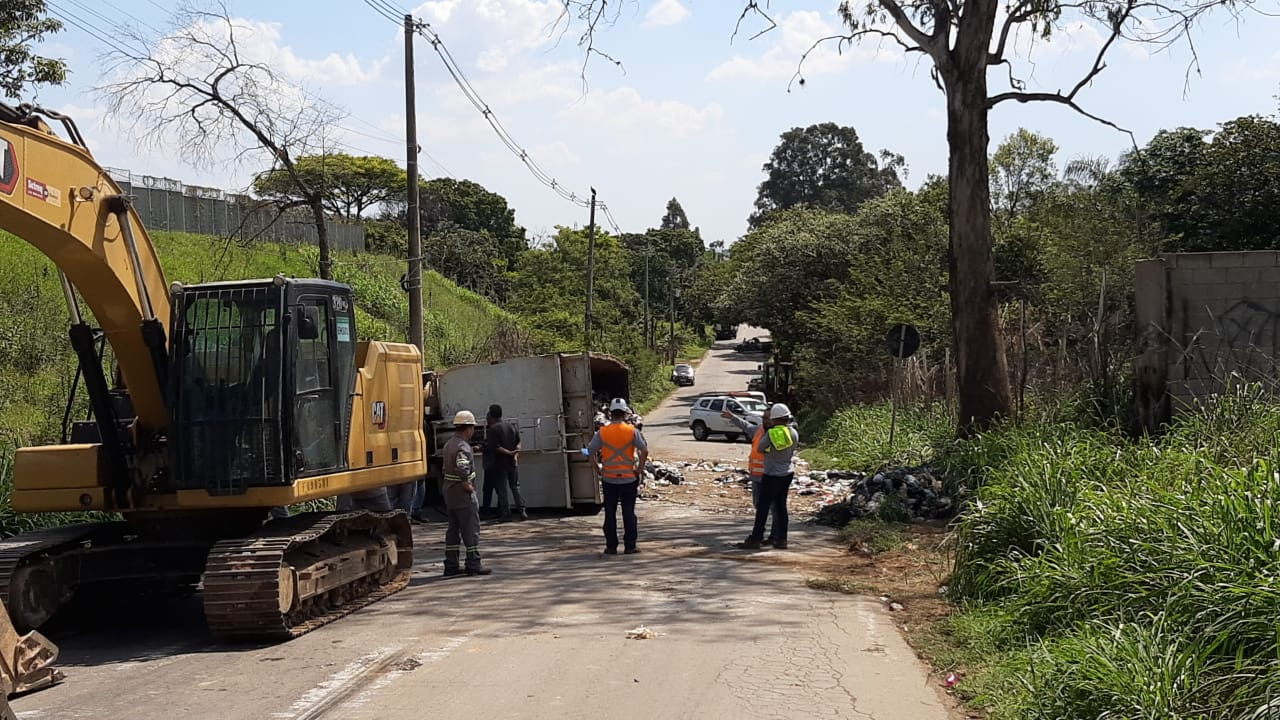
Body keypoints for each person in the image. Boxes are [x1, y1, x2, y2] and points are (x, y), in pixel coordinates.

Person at [584, 398, 648, 555]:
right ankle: (630, 546)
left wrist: (596, 468)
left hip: (609, 479)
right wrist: (639, 469)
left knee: (610, 513)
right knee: (629, 513)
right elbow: (644, 451)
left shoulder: (603, 432)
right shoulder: (632, 431)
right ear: (625, 413)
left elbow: (589, 451)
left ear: (611, 413)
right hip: (629, 479)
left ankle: (611, 547)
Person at [738, 403, 799, 550]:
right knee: (781, 507)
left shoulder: (771, 434)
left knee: (763, 508)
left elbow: (760, 448)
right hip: (787, 473)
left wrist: (770, 452)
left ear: (774, 419)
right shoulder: (794, 433)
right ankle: (781, 539)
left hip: (771, 474)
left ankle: (756, 538)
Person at [441, 410, 492, 577]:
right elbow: (462, 466)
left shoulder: (449, 444)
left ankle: (451, 564)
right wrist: (466, 483)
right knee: (470, 529)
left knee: (453, 530)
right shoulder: (463, 446)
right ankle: (473, 563)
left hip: (450, 493)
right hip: (462, 494)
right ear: (468, 428)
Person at [721, 406, 780, 546]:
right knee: (758, 505)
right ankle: (762, 533)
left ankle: (774, 536)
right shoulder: (758, 430)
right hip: (757, 476)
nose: (765, 420)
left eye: (768, 418)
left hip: (771, 476)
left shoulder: (777, 434)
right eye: (764, 418)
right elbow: (746, 426)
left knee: (774, 507)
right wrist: (733, 417)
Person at [483, 404, 527, 521]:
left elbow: (495, 447)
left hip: (500, 463)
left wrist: (509, 453)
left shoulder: (493, 429)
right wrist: (515, 454)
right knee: (515, 486)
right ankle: (522, 510)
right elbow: (518, 442)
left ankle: (506, 514)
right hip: (512, 462)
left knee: (502, 489)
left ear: (492, 416)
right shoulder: (511, 426)